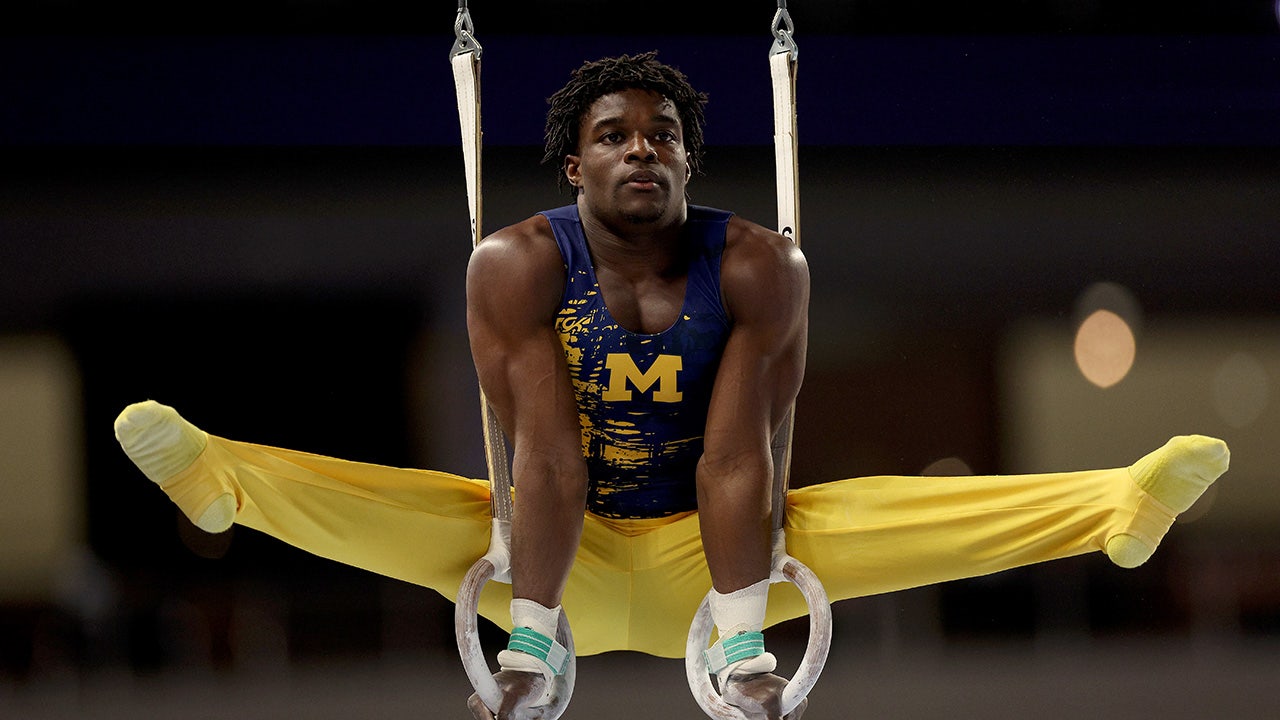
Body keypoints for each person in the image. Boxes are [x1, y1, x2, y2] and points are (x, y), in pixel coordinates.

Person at [112, 52, 1229, 720]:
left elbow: (735, 455)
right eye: (614, 136)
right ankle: (223, 481)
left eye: (663, 137)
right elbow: (545, 458)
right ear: (575, 164)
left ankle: (1113, 506)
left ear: (689, 160)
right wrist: (530, 643)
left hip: (718, 552)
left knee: (874, 515)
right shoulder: (516, 264)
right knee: (429, 510)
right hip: (555, 550)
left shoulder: (756, 265)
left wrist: (742, 644)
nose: (640, 151)